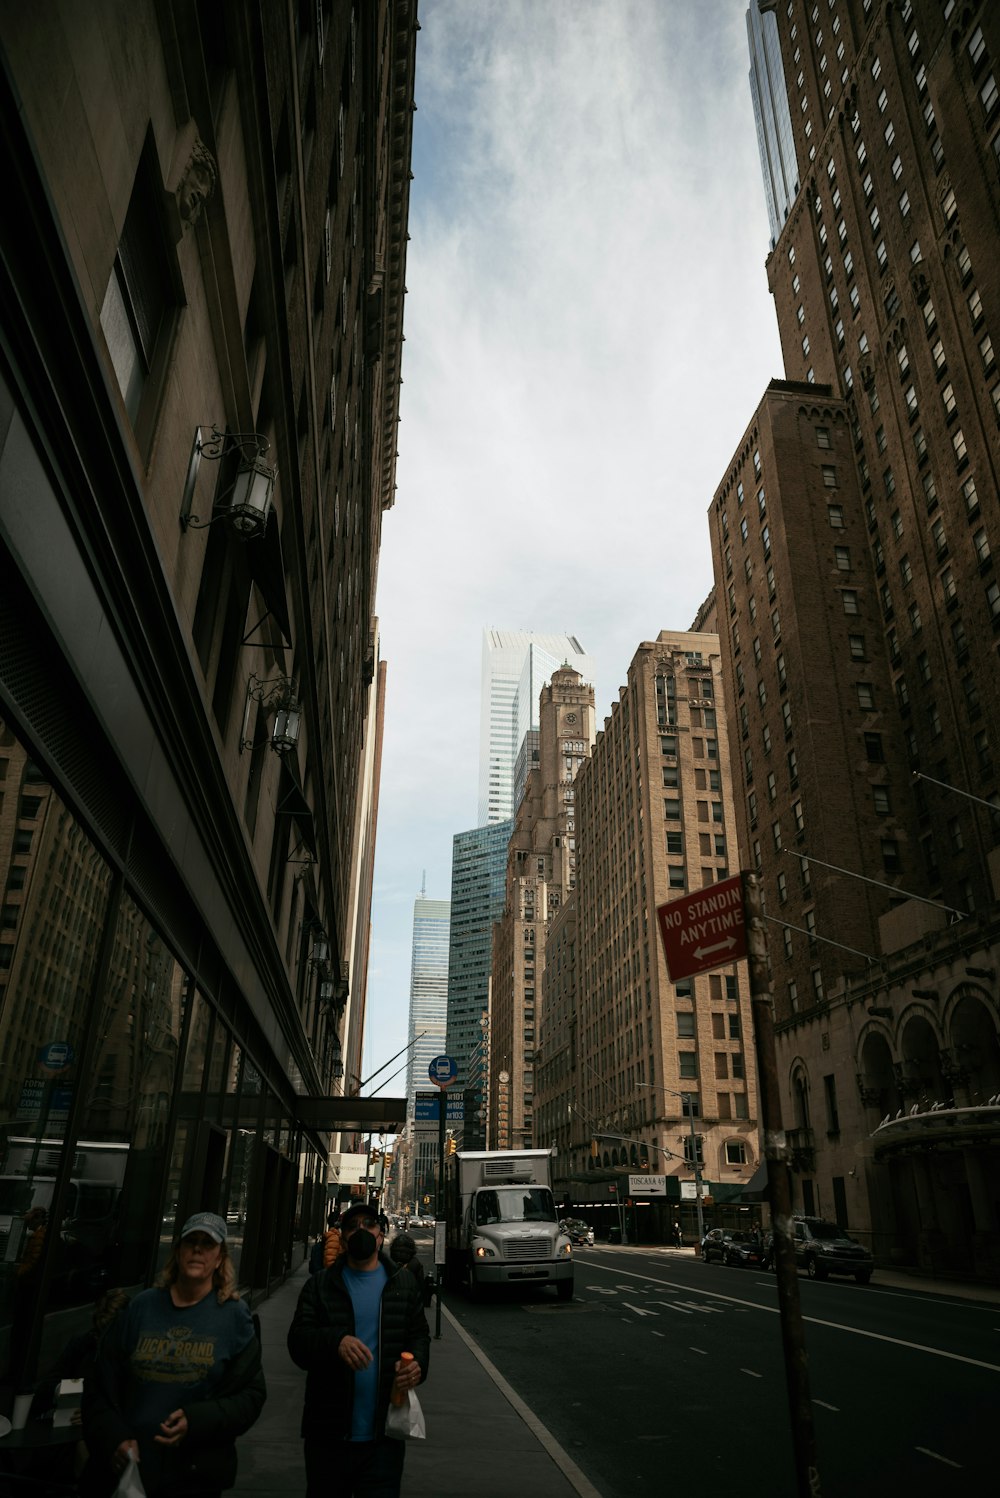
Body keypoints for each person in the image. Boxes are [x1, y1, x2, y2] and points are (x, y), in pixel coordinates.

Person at [81, 1211, 265, 1498]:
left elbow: (251, 1397)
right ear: (177, 1250)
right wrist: (112, 1437)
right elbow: (99, 1384)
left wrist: (197, 1420)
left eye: (208, 1244)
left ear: (219, 1259)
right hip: (129, 1471)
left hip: (193, 1474)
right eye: (191, 1241)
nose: (198, 1250)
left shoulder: (234, 1317)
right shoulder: (141, 1308)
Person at [287, 1200, 430, 1498]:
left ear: (381, 1234)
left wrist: (417, 1365)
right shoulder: (320, 1285)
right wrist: (335, 1341)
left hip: (383, 1439)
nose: (360, 1230)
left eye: (369, 1224)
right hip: (328, 1436)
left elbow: (418, 1337)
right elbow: (298, 1343)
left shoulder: (402, 1284)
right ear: (343, 1236)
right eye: (352, 1226)